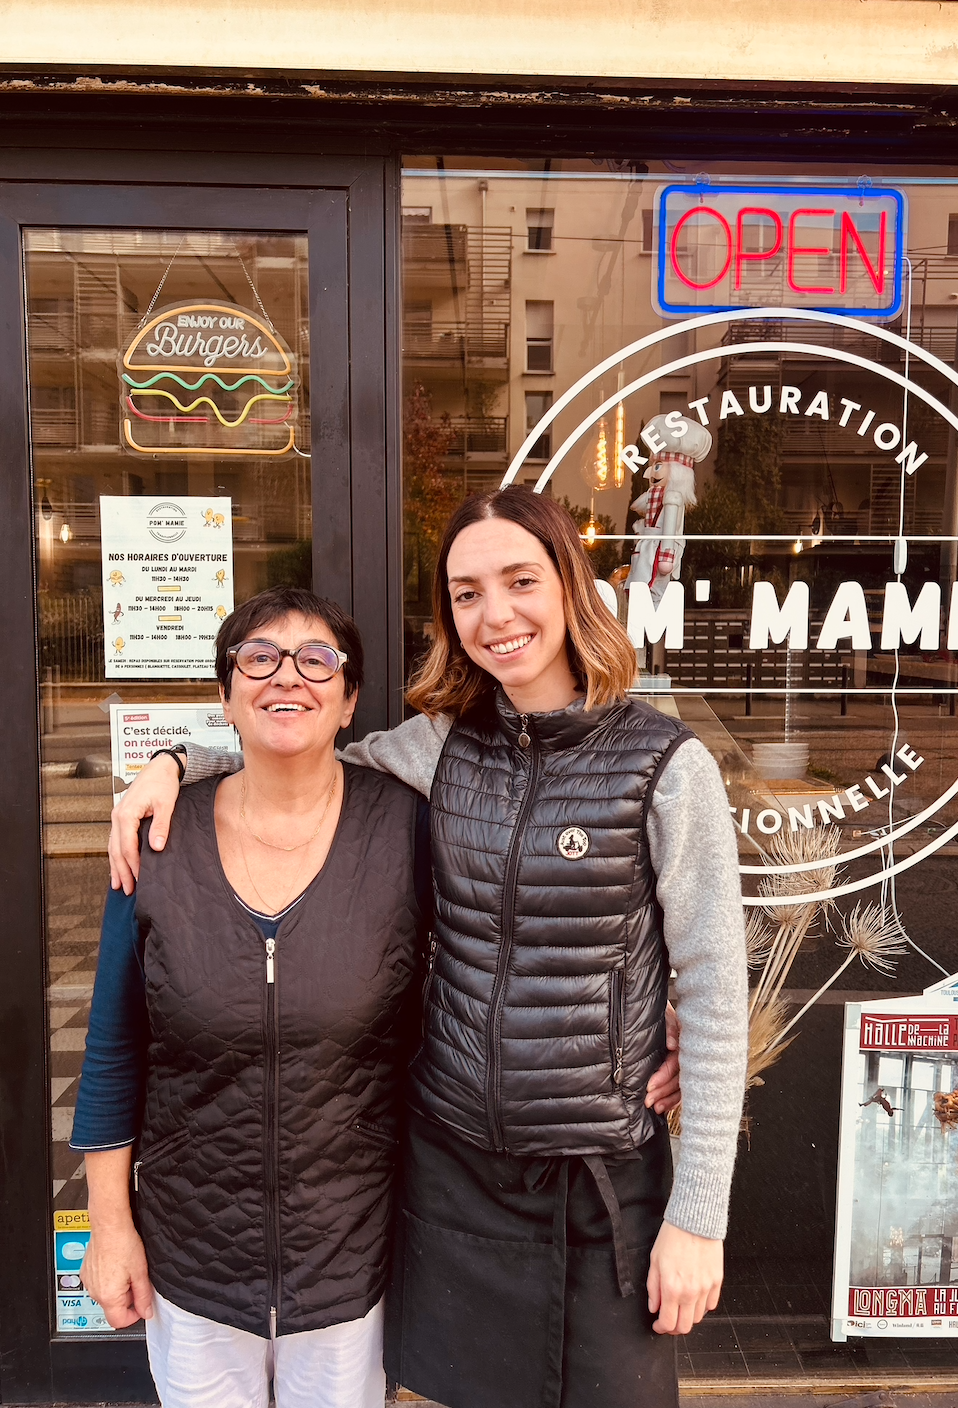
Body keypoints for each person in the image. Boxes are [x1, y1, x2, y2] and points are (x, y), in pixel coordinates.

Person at [110, 488, 748, 1408]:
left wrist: (699, 1219)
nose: (496, 615)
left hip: (602, 1181)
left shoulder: (665, 763)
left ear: (570, 585)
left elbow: (719, 992)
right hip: (456, 1176)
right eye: (466, 593)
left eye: (520, 581)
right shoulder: (439, 747)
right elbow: (304, 754)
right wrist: (176, 763)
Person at [73, 587, 430, 1408]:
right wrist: (110, 1224)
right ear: (226, 696)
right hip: (193, 1261)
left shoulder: (404, 829)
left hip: (351, 1260)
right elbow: (113, 1045)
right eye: (259, 658)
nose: (288, 678)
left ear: (348, 703)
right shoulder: (159, 837)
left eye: (317, 660)